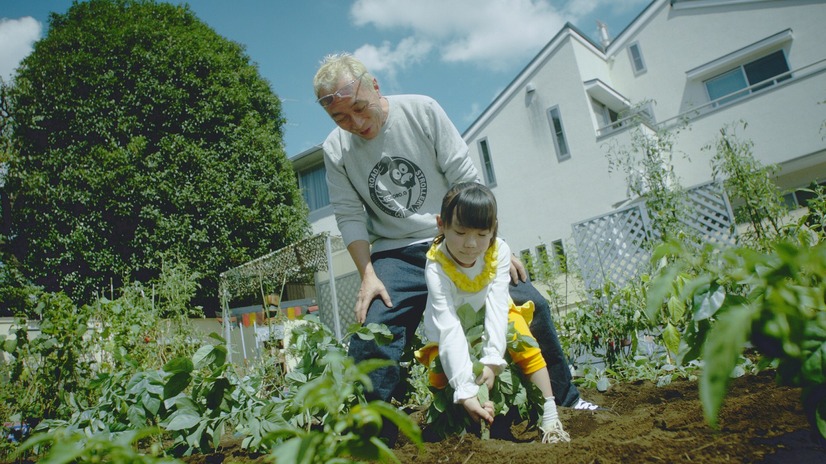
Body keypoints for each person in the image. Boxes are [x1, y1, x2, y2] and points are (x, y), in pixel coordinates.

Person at [312, 52, 599, 438]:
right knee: (374, 329)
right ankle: (370, 435)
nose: (356, 123)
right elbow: (348, 215)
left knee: (531, 302)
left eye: (359, 108)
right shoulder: (336, 150)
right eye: (341, 118)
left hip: (454, 238)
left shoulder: (422, 112)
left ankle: (565, 401)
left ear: (374, 86)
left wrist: (494, 245)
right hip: (395, 252)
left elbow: (467, 180)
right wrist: (367, 275)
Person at [416, 182, 570, 443]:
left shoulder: (498, 251)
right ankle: (454, 429)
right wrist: (465, 389)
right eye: (461, 232)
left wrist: (490, 360)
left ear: (494, 230)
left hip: (489, 312)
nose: (471, 244)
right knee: (440, 370)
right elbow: (449, 326)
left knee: (523, 339)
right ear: (441, 224)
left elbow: (498, 305)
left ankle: (550, 416)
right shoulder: (436, 266)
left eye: (482, 234)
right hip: (452, 326)